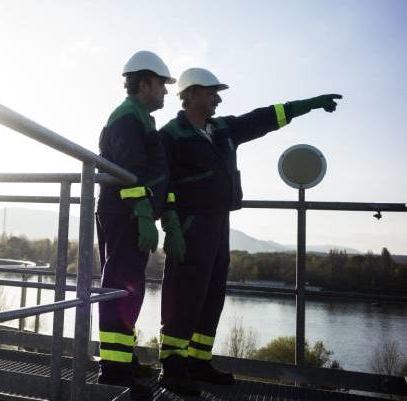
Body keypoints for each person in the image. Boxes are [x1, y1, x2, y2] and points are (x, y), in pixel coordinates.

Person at [157, 67, 342, 395]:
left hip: (219, 222)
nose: (218, 98)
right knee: (184, 293)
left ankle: (198, 360)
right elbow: (163, 182)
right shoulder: (172, 134)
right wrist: (170, 223)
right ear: (193, 94)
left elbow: (265, 117)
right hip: (190, 224)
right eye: (213, 92)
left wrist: (308, 105)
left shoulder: (223, 128)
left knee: (212, 293)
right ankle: (171, 364)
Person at [95, 50, 185, 399]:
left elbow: (152, 173)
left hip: (132, 213)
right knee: (119, 286)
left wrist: (163, 213)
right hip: (125, 214)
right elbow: (130, 170)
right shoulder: (127, 117)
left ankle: (122, 358)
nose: (165, 92)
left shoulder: (142, 119)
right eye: (161, 85)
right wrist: (144, 212)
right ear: (144, 83)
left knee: (128, 288)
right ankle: (113, 369)